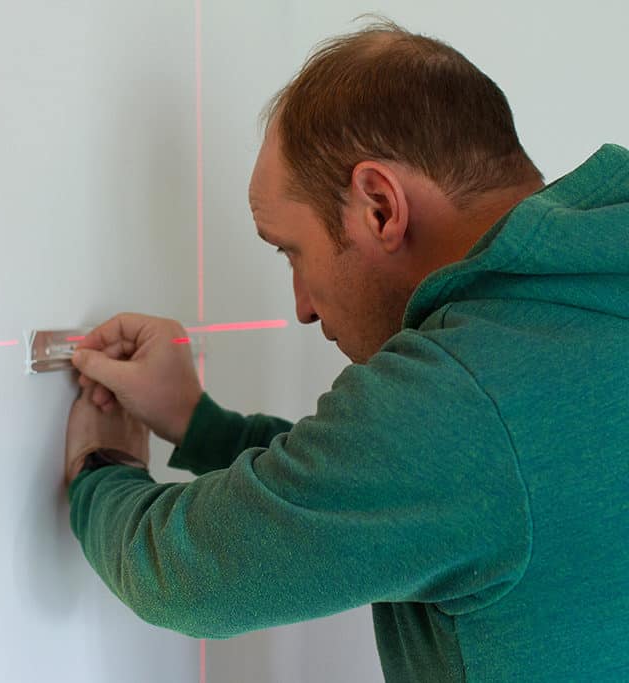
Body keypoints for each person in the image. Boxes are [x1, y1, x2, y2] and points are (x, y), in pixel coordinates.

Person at [62, 20, 629, 683]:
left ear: (381, 207)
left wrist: (100, 466)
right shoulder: (584, 299)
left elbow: (185, 574)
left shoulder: (462, 390)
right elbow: (402, 485)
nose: (302, 303)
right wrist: (198, 422)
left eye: (292, 252)